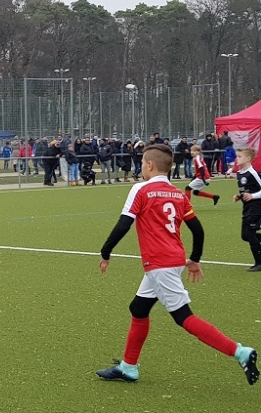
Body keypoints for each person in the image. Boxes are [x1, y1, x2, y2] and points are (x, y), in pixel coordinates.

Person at [96, 144, 258, 385]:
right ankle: (128, 367)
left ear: (149, 165)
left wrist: (105, 252)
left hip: (159, 263)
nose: (142, 168)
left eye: (142, 164)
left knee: (183, 317)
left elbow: (124, 224)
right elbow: (197, 230)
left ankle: (239, 351)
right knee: (138, 308)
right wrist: (195, 259)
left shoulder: (141, 189)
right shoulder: (177, 193)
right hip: (173, 260)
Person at [233, 148, 261, 272]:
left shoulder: (253, 173)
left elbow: (254, 192)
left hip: (256, 207)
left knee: (250, 233)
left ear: (248, 159)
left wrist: (253, 196)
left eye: (239, 156)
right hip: (247, 207)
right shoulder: (239, 173)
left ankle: (259, 262)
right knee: (245, 236)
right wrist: (239, 196)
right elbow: (246, 190)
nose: (237, 159)